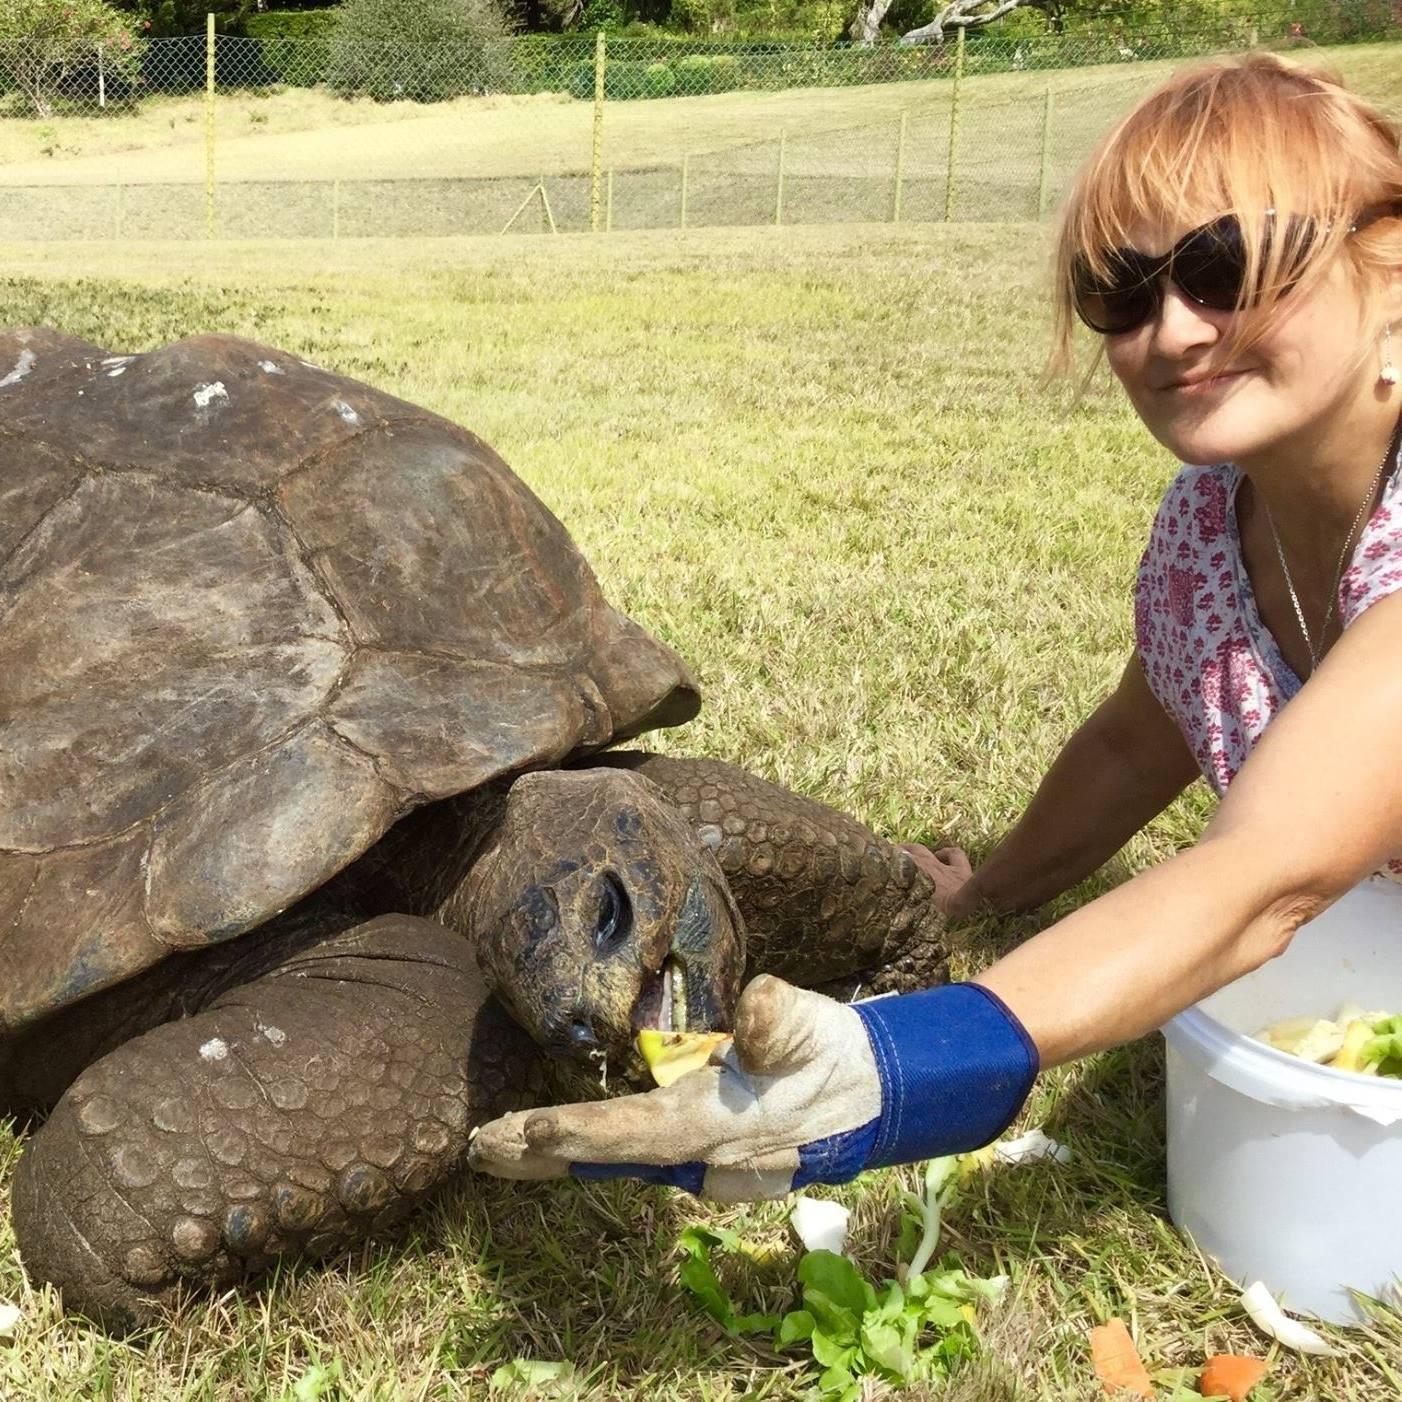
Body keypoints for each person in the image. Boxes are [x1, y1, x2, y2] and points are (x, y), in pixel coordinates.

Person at [468, 53, 1402, 1201]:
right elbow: (1141, 734)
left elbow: (1266, 877)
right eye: (1120, 289)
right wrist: (985, 893)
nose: (1171, 330)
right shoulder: (1212, 521)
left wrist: (890, 1074)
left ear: (1388, 262)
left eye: (1222, 265)